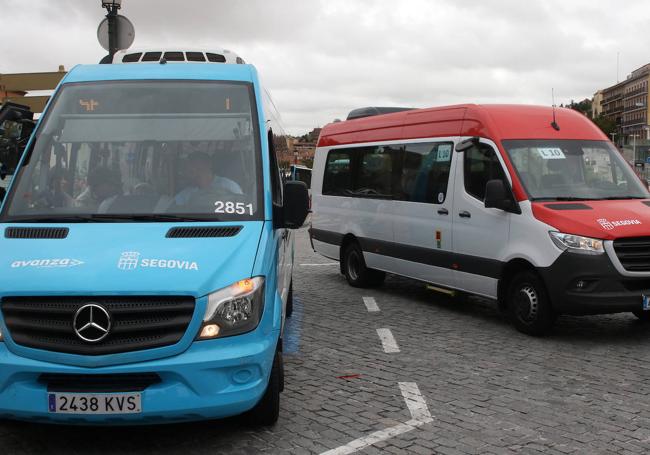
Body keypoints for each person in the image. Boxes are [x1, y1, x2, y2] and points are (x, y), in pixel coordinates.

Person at [175, 152, 243, 205]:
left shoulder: (228, 185)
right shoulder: (185, 194)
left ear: (209, 165)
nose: (193, 168)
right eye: (191, 166)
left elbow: (242, 206)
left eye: (198, 167)